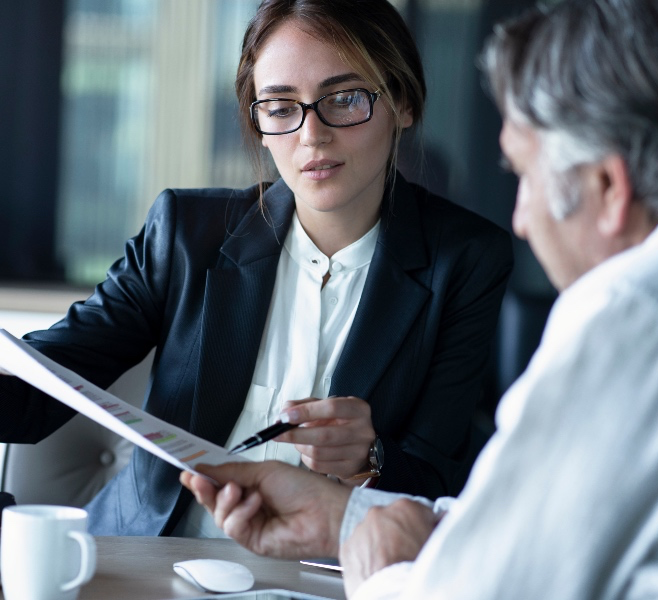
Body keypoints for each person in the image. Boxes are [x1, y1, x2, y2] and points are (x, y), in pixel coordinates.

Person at [181, 0, 658, 597]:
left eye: (524, 176)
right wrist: (348, 517)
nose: (523, 219)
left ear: (608, 185)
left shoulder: (644, 309)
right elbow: (550, 523)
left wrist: (377, 572)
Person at [0, 0, 513, 537]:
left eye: (344, 99)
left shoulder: (466, 260)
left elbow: (441, 479)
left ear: (402, 102)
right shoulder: (184, 233)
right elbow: (40, 390)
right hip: (147, 564)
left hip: (328, 576)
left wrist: (370, 458)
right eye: (280, 106)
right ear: (260, 122)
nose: (312, 136)